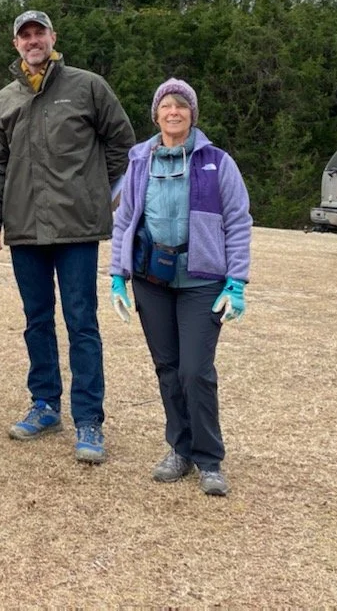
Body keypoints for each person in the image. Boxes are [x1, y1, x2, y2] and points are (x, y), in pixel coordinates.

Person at [0, 11, 135, 464]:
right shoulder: (6, 98)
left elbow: (123, 144)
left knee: (81, 322)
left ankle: (89, 419)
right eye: (24, 35)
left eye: (39, 33)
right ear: (16, 44)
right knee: (36, 320)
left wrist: (99, 193)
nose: (33, 41)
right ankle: (45, 404)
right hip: (25, 227)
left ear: (53, 37)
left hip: (76, 228)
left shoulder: (88, 86)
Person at [108, 77, 252, 496]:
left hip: (201, 281)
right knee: (168, 369)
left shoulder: (216, 162)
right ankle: (180, 449)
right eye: (166, 106)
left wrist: (237, 282)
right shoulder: (139, 161)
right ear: (156, 114)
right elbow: (124, 220)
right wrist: (118, 274)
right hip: (152, 279)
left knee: (195, 370)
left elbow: (239, 222)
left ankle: (209, 460)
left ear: (192, 114)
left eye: (181, 106)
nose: (174, 112)